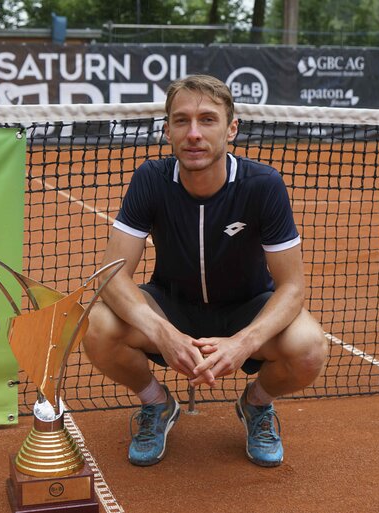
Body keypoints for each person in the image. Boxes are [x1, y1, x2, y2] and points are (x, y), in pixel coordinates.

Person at [82, 74, 327, 468]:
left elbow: (292, 288)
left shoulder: (263, 185)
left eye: (207, 120)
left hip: (247, 308)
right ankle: (156, 404)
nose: (194, 133)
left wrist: (244, 343)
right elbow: (112, 276)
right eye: (181, 121)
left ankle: (256, 405)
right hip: (170, 306)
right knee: (95, 324)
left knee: (310, 347)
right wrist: (164, 333)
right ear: (167, 131)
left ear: (232, 128)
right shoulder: (151, 179)